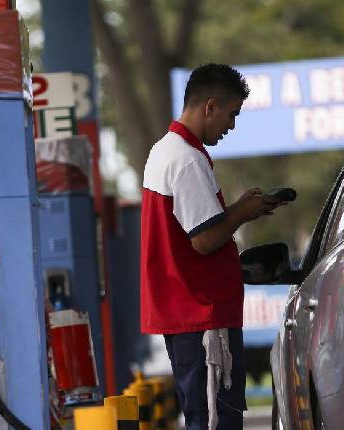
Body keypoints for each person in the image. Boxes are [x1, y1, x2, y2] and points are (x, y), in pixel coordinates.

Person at [140, 63, 283, 429]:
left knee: (204, 416)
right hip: (201, 315)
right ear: (209, 106)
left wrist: (237, 210)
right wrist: (242, 213)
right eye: (231, 114)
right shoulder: (186, 159)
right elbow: (203, 240)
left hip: (187, 314)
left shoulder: (165, 150)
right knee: (215, 419)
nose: (232, 125)